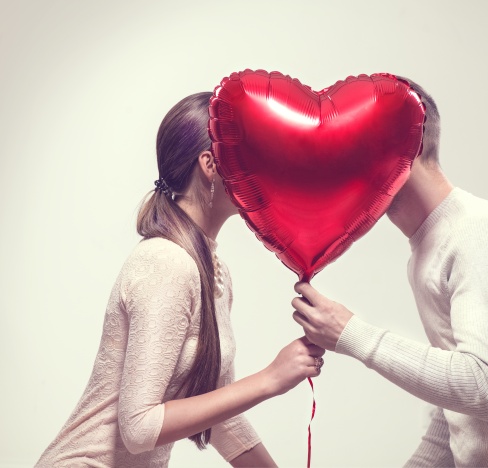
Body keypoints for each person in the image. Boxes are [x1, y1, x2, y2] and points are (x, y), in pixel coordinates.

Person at [291, 77, 488, 467]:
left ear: (412, 144)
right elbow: (454, 416)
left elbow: (483, 387)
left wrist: (351, 333)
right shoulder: (426, 250)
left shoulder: (475, 233)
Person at [36, 92, 325, 468]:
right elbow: (139, 429)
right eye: (248, 155)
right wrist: (270, 379)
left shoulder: (213, 271)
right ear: (210, 164)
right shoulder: (167, 263)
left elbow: (220, 418)